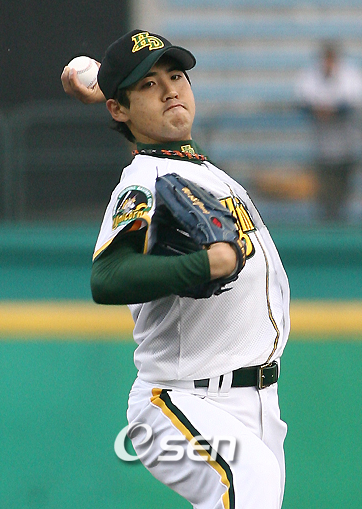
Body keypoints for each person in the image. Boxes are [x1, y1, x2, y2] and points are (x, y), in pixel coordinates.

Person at [62, 29, 290, 509]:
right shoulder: (146, 179)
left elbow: (167, 136)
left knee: (254, 490)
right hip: (181, 400)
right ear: (118, 108)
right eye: (149, 84)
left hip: (255, 402)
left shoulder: (200, 170)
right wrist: (201, 264)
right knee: (249, 482)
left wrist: (125, 97)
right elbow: (107, 277)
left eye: (176, 77)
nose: (170, 90)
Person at [295, 41, 362, 221]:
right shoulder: (310, 74)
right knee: (324, 195)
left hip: (347, 145)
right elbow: (303, 102)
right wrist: (320, 110)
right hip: (322, 147)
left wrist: (331, 111)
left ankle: (341, 222)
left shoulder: (351, 74)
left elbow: (354, 103)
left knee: (343, 192)